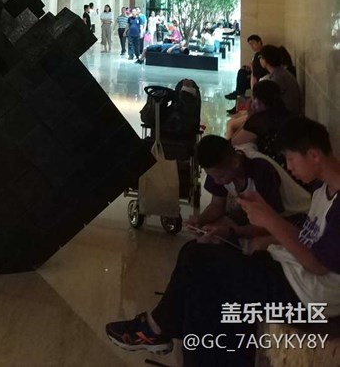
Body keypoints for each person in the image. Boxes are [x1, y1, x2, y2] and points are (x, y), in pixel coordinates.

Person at [105, 118, 340, 360]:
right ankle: (160, 330)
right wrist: (259, 231)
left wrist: (269, 220)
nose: (289, 167)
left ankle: (157, 329)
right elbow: (305, 238)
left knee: (197, 261)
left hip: (308, 300)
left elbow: (318, 265)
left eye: (291, 159)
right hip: (292, 275)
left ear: (313, 155)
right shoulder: (322, 191)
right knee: (200, 271)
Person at [231, 79, 293, 163]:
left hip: (274, 164)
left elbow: (234, 142)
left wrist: (250, 116)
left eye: (253, 99)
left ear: (259, 101)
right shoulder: (284, 112)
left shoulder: (260, 120)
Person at [225, 33, 268, 113]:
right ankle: (237, 98)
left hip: (260, 78)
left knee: (242, 79)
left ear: (259, 42)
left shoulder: (261, 54)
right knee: (242, 72)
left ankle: (237, 96)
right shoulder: (257, 54)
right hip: (256, 75)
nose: (252, 46)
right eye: (250, 44)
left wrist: (252, 69)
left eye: (253, 43)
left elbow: (259, 71)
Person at [259, 44, 302, 115]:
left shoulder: (278, 77)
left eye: (261, 57)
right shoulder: (280, 72)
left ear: (265, 60)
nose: (260, 60)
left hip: (288, 116)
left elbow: (267, 102)